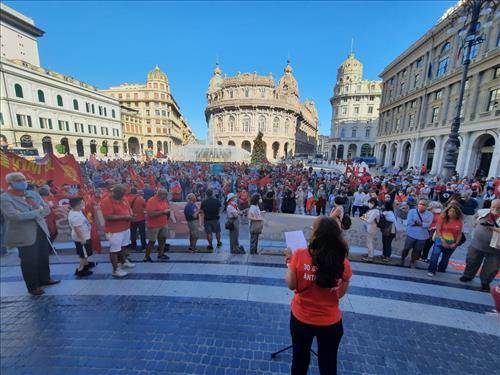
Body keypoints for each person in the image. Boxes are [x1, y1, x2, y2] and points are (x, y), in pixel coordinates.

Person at [285, 216, 351, 375]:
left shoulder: (299, 255)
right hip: (330, 322)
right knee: (328, 365)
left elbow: (291, 285)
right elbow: (340, 294)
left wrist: (289, 261)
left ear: (316, 234)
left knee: (299, 362)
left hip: (301, 318)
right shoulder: (342, 261)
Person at [0, 172, 60, 295]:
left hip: (41, 229)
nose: (23, 182)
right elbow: (14, 216)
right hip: (23, 233)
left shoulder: (32, 194)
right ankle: (33, 286)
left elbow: (46, 209)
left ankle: (45, 278)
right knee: (29, 260)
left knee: (43, 255)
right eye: (19, 180)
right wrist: (37, 212)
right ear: (11, 183)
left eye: (23, 179)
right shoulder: (5, 198)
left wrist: (33, 213)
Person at [460, 199, 500, 291]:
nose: (496, 209)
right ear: (490, 206)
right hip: (477, 243)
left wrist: (492, 228)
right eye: (494, 207)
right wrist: (475, 223)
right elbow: (474, 217)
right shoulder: (483, 212)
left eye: (499, 208)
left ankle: (485, 282)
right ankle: (468, 275)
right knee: (471, 260)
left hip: (496, 248)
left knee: (492, 267)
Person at [100, 184, 136, 278]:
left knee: (124, 247)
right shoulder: (106, 201)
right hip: (114, 231)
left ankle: (124, 261)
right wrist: (125, 217)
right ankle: (115, 269)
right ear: (116, 192)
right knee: (114, 250)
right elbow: (108, 217)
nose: (124, 195)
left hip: (125, 228)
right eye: (122, 193)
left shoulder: (123, 199)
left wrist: (130, 214)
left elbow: (129, 209)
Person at [427, 203, 463, 277]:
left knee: (445, 258)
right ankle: (431, 270)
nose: (452, 213)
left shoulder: (459, 222)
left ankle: (441, 269)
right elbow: (438, 229)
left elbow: (460, 234)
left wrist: (456, 243)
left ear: (457, 213)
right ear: (447, 211)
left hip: (452, 242)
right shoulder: (442, 218)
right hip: (440, 239)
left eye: (454, 211)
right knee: (435, 254)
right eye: (450, 211)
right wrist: (442, 240)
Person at [400, 199, 433, 268]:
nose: (421, 206)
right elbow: (409, 222)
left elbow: (428, 225)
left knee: (417, 250)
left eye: (424, 205)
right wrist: (420, 224)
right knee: (406, 248)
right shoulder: (412, 211)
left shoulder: (430, 214)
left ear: (427, 206)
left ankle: (413, 261)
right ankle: (402, 259)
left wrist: (420, 223)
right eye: (420, 204)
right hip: (411, 233)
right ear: (418, 205)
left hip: (422, 236)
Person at [68, 197, 96, 277]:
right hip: (82, 237)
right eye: (81, 204)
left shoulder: (76, 211)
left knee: (85, 252)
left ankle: (86, 264)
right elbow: (78, 229)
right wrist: (82, 238)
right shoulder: (75, 216)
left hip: (84, 236)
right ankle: (80, 269)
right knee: (83, 254)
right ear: (77, 206)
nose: (83, 205)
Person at [144, 188, 171, 262]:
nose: (165, 196)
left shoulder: (164, 200)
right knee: (152, 241)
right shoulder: (151, 201)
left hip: (163, 223)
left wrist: (167, 214)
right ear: (158, 194)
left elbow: (167, 209)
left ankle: (161, 254)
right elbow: (150, 214)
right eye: (163, 194)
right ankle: (147, 256)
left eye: (166, 194)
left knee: (163, 239)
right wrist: (163, 212)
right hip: (154, 225)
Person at [360, 197, 380, 262]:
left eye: (370, 203)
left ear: (374, 203)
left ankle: (370, 256)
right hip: (368, 227)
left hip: (371, 228)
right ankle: (369, 254)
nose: (369, 204)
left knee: (370, 242)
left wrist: (364, 218)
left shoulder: (375, 211)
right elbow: (364, 217)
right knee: (368, 242)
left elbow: (369, 220)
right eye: (369, 203)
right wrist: (364, 217)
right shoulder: (371, 210)